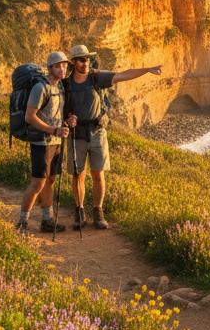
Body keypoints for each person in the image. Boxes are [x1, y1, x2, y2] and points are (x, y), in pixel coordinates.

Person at [63, 44, 162, 230]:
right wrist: (67, 118)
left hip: (97, 132)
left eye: (88, 59)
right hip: (77, 134)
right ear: (74, 62)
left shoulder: (96, 76)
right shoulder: (66, 83)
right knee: (78, 175)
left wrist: (147, 70)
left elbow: (123, 75)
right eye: (82, 60)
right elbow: (60, 108)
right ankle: (79, 211)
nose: (86, 63)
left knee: (98, 174)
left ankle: (98, 212)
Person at [16, 51, 70, 233]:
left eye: (64, 65)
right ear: (50, 68)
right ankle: (22, 222)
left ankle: (47, 220)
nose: (62, 69)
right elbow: (29, 117)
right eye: (58, 66)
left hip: (56, 142)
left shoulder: (60, 87)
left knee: (50, 180)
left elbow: (55, 114)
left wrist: (68, 122)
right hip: (41, 142)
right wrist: (53, 130)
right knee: (38, 183)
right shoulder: (40, 88)